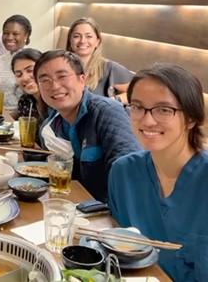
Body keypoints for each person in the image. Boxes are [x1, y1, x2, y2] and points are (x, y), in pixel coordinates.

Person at [108, 64, 208, 281]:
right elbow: (125, 250)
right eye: (137, 107)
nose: (147, 120)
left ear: (191, 118)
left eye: (164, 109)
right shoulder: (123, 172)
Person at [33, 50, 140, 202]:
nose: (54, 86)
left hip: (109, 212)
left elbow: (130, 171)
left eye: (62, 76)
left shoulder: (106, 111)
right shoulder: (52, 124)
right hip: (75, 204)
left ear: (82, 79)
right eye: (45, 80)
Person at [66, 17, 133, 97]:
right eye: (76, 36)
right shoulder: (59, 67)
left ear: (97, 41)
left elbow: (137, 93)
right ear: (70, 41)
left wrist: (115, 100)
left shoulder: (111, 68)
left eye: (89, 36)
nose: (82, 41)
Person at [0, 14, 32, 113]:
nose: (9, 37)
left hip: (21, 118)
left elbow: (33, 101)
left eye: (15, 34)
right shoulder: (1, 60)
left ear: (26, 35)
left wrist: (7, 117)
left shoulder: (31, 60)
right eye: (6, 33)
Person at [11, 48, 46, 122]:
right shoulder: (25, 101)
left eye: (30, 70)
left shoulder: (57, 102)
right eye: (18, 74)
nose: (25, 78)